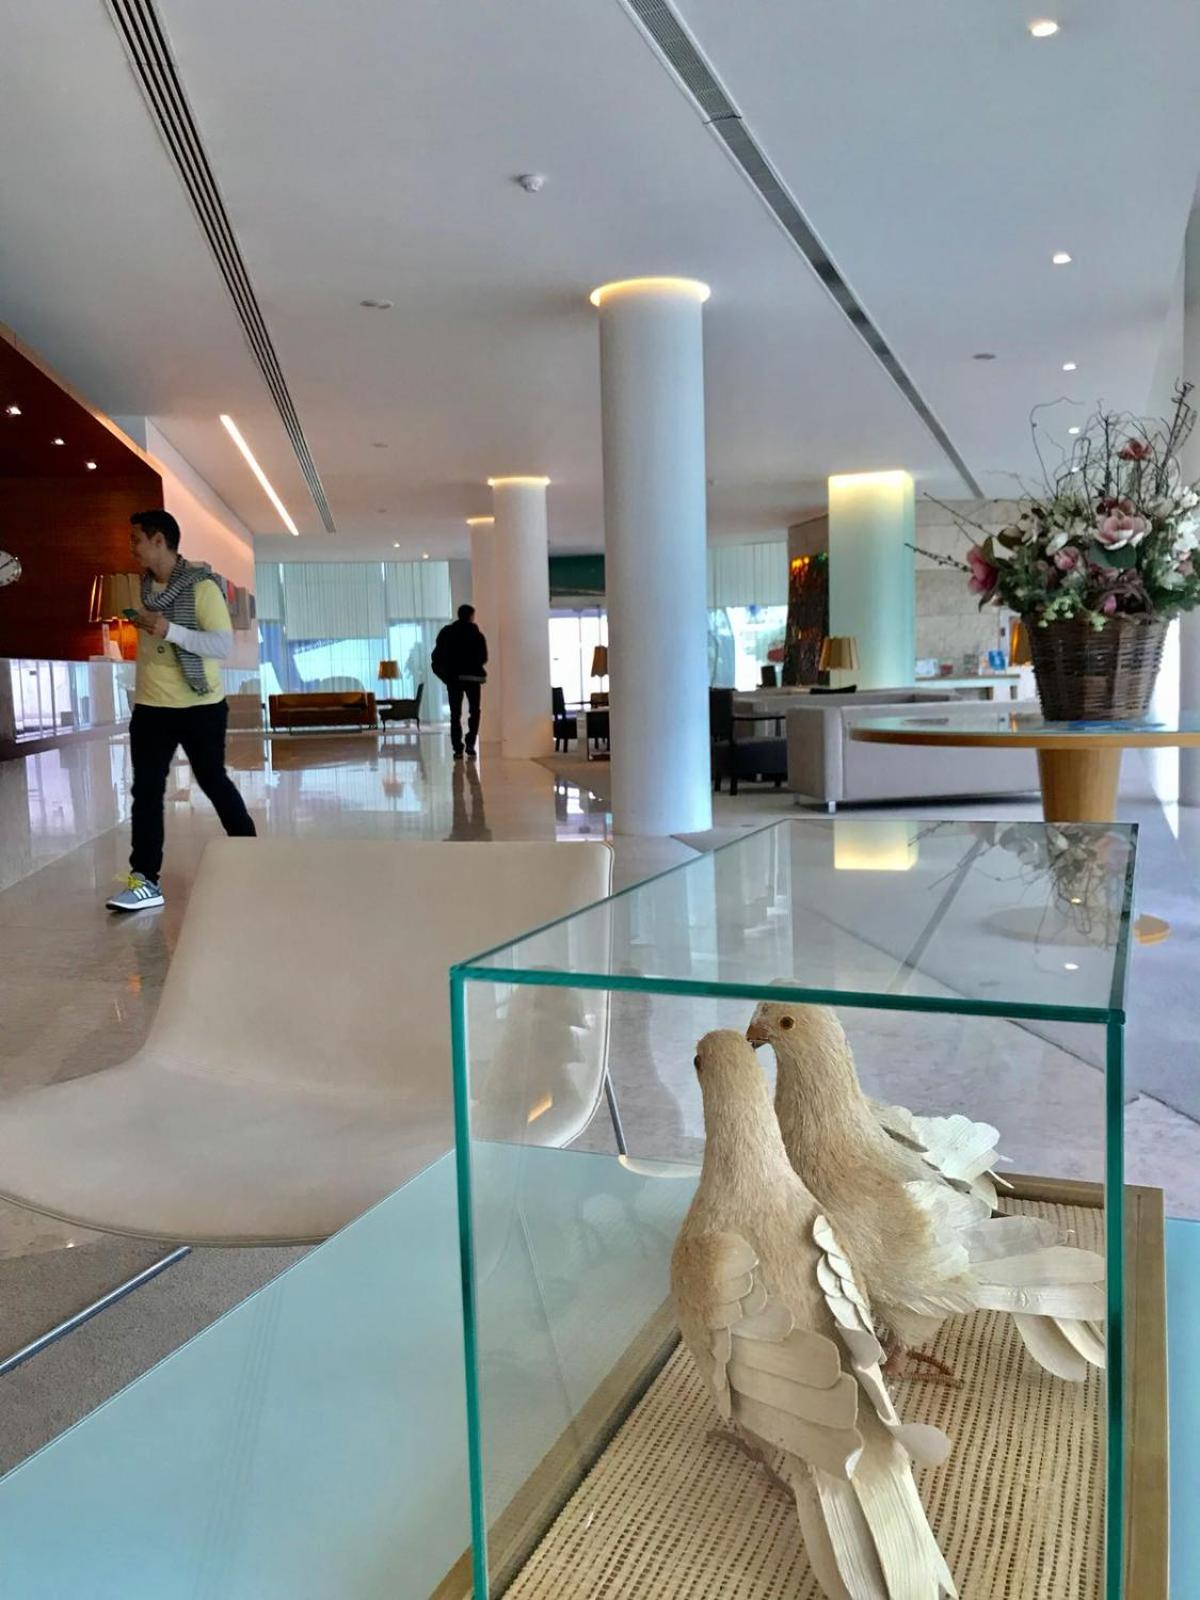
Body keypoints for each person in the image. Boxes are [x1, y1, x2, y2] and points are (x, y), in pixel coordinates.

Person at [106, 509, 256, 912]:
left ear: (159, 541)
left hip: (200, 706)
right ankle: (144, 880)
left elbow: (220, 646)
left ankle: (252, 854)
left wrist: (167, 629)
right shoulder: (141, 588)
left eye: (136, 539)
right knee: (146, 790)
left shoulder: (201, 587)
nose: (131, 547)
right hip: (151, 707)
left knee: (212, 779)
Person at [432, 603, 488, 760]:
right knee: (474, 711)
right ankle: (470, 743)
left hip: (454, 679)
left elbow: (436, 656)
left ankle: (457, 748)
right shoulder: (477, 635)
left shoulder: (447, 633)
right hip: (473, 678)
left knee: (455, 714)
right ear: (471, 616)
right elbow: (484, 657)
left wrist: (446, 675)